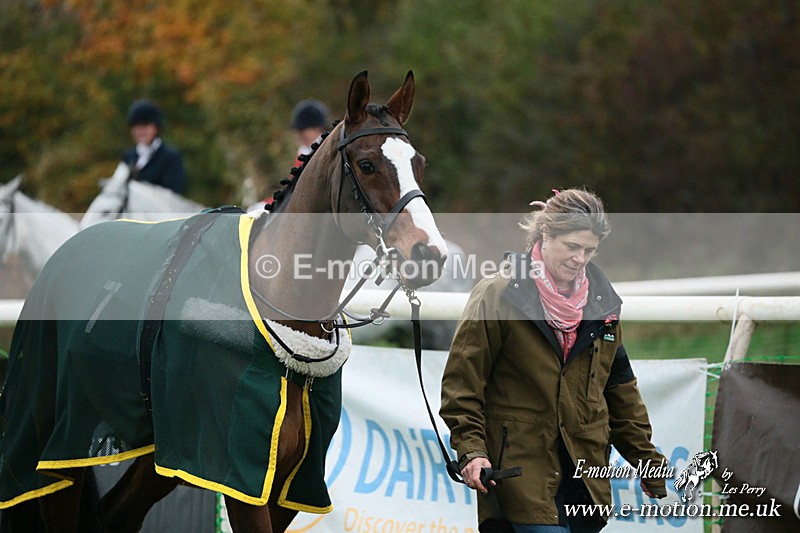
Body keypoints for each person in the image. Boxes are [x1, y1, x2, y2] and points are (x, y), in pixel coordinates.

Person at [440, 188, 667, 533]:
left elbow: (620, 391)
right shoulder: (497, 294)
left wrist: (647, 462)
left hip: (585, 480)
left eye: (589, 250)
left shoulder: (604, 304)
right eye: (572, 247)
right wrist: (472, 452)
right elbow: (462, 385)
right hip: (518, 476)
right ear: (546, 234)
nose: (580, 259)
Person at [121, 99, 186, 194]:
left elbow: (173, 194)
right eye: (136, 126)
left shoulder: (171, 157)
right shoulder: (128, 157)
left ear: (155, 127)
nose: (140, 131)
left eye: (145, 125)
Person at [289, 98, 329, 168]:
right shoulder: (303, 152)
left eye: (302, 130)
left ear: (317, 129)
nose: (299, 135)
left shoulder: (326, 153)